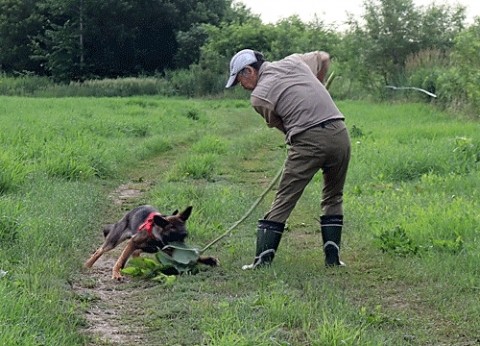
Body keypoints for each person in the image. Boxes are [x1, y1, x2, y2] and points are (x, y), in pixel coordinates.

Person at [225, 49, 351, 269]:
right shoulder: (294, 61)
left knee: (284, 199)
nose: (241, 86)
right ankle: (333, 260)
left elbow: (285, 127)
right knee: (333, 196)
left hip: (309, 140)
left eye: (239, 80)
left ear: (249, 70)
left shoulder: (259, 97)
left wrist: (301, 143)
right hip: (340, 133)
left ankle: (262, 262)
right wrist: (319, 83)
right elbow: (323, 58)